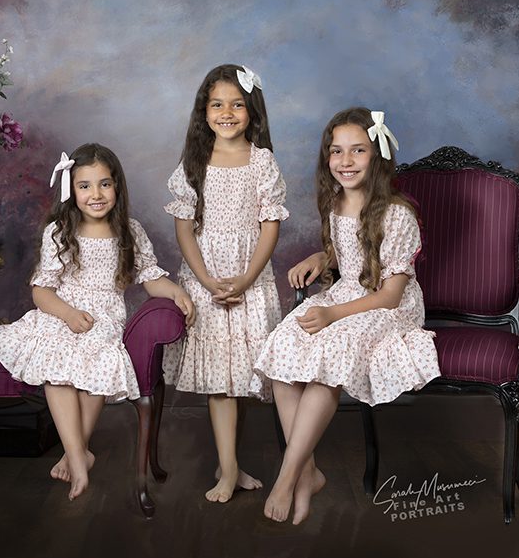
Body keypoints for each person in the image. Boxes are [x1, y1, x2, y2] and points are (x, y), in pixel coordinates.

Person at [252, 107, 441, 524]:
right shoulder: (336, 202)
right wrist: (323, 256)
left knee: (330, 355)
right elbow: (349, 255)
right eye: (337, 152)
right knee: (284, 350)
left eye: (358, 150)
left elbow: (391, 294)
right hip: (346, 292)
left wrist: (333, 313)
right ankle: (309, 472)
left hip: (386, 306)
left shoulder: (397, 214)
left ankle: (288, 477)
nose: (346, 161)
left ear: (377, 156)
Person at [0, 143, 194, 501]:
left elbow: (149, 277)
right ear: (71, 190)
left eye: (104, 184)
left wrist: (174, 291)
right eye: (84, 186)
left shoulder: (130, 230)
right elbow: (42, 291)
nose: (95, 195)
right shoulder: (60, 231)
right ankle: (79, 456)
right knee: (56, 362)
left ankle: (76, 451)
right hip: (61, 313)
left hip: (105, 318)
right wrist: (67, 315)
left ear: (117, 187)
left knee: (97, 362)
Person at [162, 64, 288, 503]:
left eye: (237, 104)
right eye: (217, 104)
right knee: (219, 379)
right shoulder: (194, 163)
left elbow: (270, 226)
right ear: (204, 111)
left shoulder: (262, 161)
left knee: (243, 378)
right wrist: (207, 280)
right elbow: (183, 229)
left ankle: (228, 462)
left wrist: (247, 279)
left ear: (252, 111)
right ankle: (230, 471)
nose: (227, 112)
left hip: (249, 279)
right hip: (207, 280)